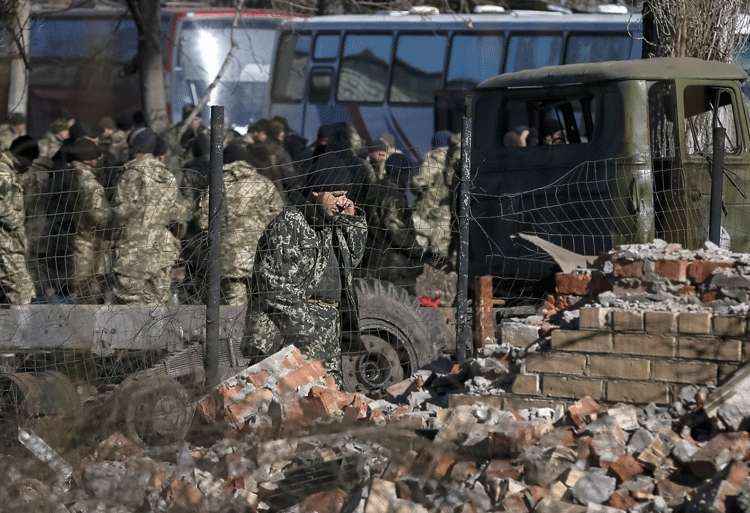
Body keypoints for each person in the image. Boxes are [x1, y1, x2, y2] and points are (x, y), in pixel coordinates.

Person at [243, 165, 367, 378]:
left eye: (345, 196)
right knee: (288, 398)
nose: (341, 202)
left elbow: (350, 262)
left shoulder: (331, 223)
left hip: (327, 329)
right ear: (316, 192)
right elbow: (273, 283)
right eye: (336, 195)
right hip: (292, 333)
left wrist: (352, 221)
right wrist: (306, 328)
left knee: (324, 398)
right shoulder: (292, 222)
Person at [197, 142, 284, 304]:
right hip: (261, 257)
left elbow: (203, 222)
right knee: (260, 307)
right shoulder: (264, 184)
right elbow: (279, 219)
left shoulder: (218, 184)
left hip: (228, 258)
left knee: (233, 308)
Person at [111, 128, 184, 304]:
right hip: (161, 249)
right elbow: (175, 211)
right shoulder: (167, 175)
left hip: (133, 250)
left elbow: (122, 211)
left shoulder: (132, 173)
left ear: (135, 148)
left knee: (131, 303)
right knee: (157, 303)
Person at [362, 153, 447, 292]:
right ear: (402, 173)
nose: (409, 179)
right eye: (408, 174)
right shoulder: (393, 195)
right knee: (399, 303)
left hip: (376, 258)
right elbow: (395, 229)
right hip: (392, 264)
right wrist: (418, 251)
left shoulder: (376, 188)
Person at [10, 136, 53, 301]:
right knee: (41, 263)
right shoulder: (47, 171)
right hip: (45, 224)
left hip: (30, 225)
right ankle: (43, 295)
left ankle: (36, 298)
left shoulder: (26, 174)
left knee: (29, 264)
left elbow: (23, 204)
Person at [66, 139, 109, 303]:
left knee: (83, 295)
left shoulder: (71, 176)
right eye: (96, 157)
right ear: (89, 160)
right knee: (90, 296)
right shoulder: (90, 184)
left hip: (78, 241)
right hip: (92, 246)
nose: (99, 161)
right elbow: (99, 216)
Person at [0, 142, 35, 304]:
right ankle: (21, 328)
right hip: (7, 242)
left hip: (11, 241)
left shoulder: (9, 171)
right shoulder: (3, 174)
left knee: (21, 288)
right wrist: (15, 222)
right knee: (20, 291)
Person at [411, 131, 454, 254]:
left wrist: (414, 183)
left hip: (429, 209)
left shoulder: (431, 160)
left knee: (424, 244)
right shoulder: (456, 159)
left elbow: (420, 184)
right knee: (444, 245)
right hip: (449, 207)